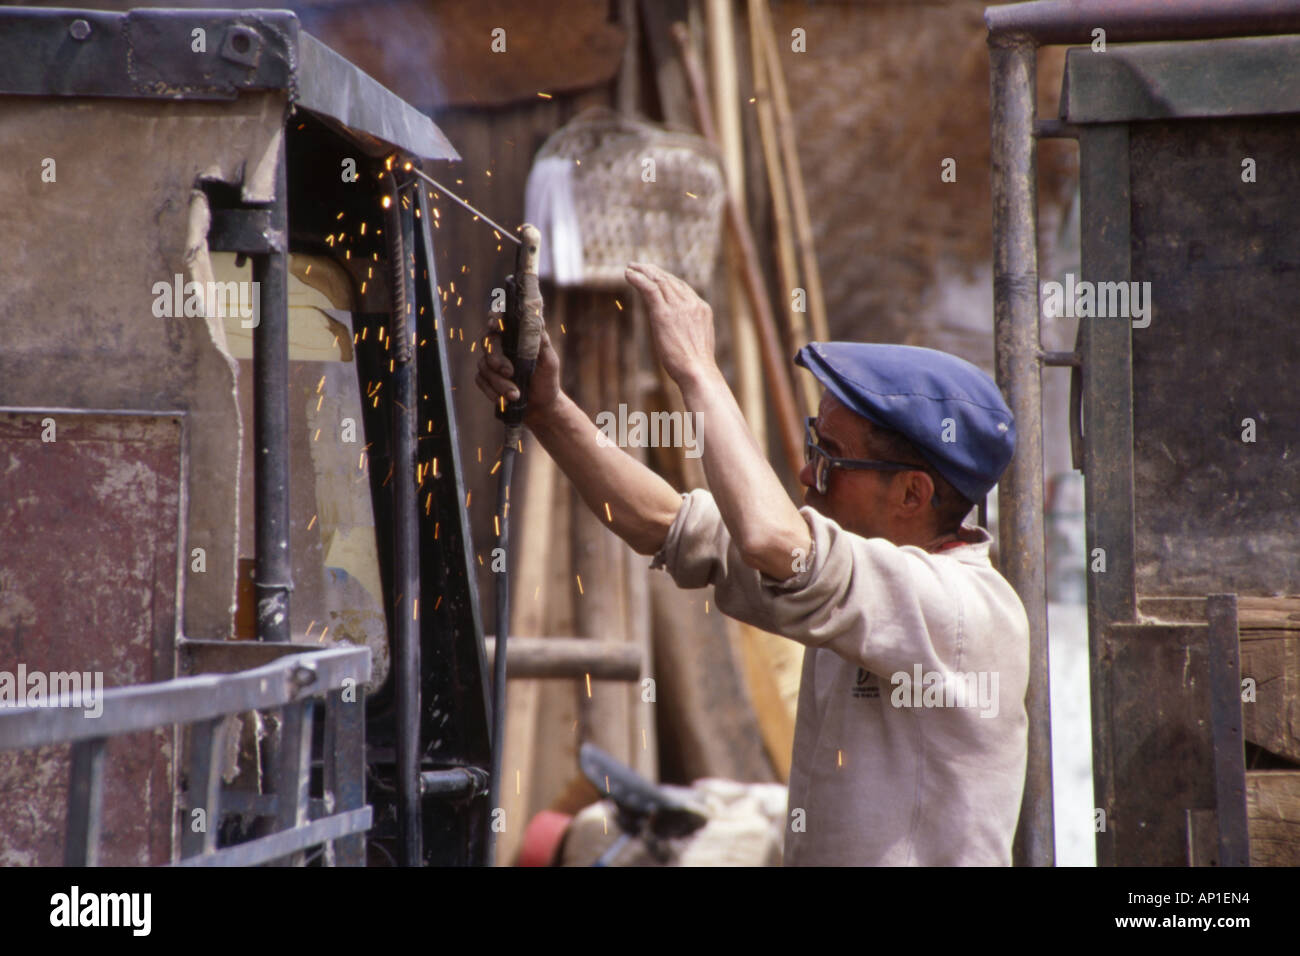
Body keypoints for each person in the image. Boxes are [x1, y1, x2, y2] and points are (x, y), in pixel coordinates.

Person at [476, 262, 1029, 866]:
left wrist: (697, 370)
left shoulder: (960, 609)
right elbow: (665, 524)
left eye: (829, 460)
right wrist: (550, 411)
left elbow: (770, 539)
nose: (805, 476)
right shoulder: (860, 581)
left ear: (912, 496)